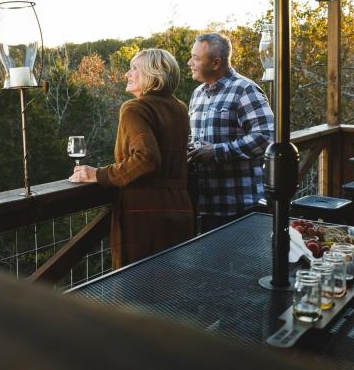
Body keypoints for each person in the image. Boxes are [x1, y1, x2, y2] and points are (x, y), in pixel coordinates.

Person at [69, 48, 193, 268]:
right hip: (180, 206)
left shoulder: (135, 108)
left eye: (133, 68)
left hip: (145, 214)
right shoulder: (179, 107)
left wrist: (98, 174)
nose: (127, 74)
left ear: (152, 73)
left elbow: (147, 158)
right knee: (174, 289)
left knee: (138, 290)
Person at [187, 32, 274, 232]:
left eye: (196, 58)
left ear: (216, 63)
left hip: (242, 206)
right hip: (207, 207)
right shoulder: (197, 94)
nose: (189, 62)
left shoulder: (245, 90)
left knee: (245, 264)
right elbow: (201, 139)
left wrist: (218, 151)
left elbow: (266, 136)